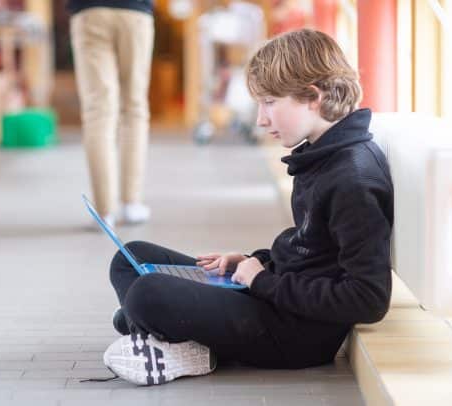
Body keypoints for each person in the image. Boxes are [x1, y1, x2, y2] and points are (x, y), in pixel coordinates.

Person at [101, 29, 394, 386]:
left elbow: (368, 300)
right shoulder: (322, 155)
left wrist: (262, 281)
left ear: (312, 97)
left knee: (148, 294)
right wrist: (250, 261)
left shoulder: (353, 178)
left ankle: (178, 342)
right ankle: (158, 330)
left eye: (269, 102)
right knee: (131, 256)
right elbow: (311, 255)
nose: (260, 119)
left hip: (293, 335)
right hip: (273, 298)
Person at [69, 0, 155, 227]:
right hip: (135, 12)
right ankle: (131, 204)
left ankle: (104, 212)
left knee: (98, 111)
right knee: (134, 108)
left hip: (90, 11)